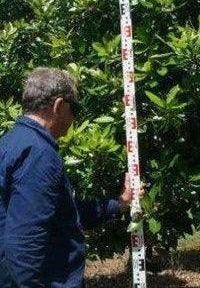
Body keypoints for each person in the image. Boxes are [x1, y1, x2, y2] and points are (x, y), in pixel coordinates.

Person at [0, 68, 135, 287]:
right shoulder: (38, 154)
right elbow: (25, 242)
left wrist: (118, 204)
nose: (74, 118)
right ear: (59, 106)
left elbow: (60, 213)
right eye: (75, 109)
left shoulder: (12, 143)